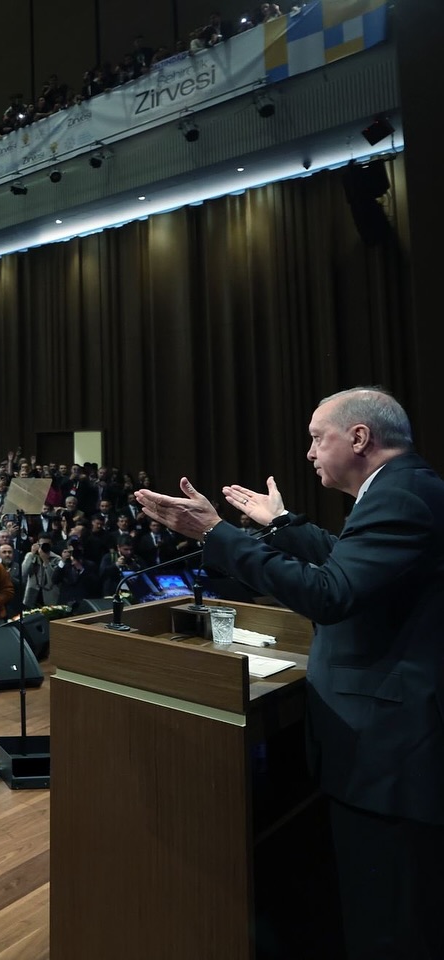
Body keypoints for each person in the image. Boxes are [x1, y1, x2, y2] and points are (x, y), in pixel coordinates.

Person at [135, 386, 444, 960]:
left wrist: (216, 535)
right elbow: (347, 563)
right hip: (385, 745)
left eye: (316, 437)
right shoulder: (405, 489)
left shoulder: (401, 495)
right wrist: (280, 525)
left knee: (391, 926)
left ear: (359, 437)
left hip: (390, 753)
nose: (308, 452)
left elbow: (330, 593)